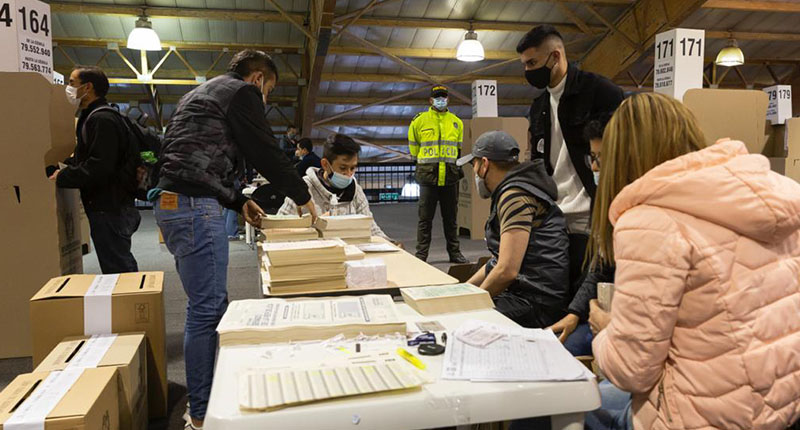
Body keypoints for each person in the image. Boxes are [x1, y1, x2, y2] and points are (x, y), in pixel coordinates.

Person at [587, 93, 800, 430]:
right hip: (780, 405)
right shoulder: (779, 192)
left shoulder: (649, 222)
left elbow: (631, 370)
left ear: (621, 156)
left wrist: (604, 330)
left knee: (576, 405)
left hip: (702, 416)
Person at [151, 49, 317, 429]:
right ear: (257, 78)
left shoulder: (202, 93)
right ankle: (202, 413)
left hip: (175, 201)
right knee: (206, 308)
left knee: (209, 303)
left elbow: (197, 158)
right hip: (193, 205)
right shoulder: (242, 92)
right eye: (269, 89)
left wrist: (237, 200)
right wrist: (304, 195)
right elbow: (264, 150)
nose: (267, 99)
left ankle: (207, 399)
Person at [517, 25, 623, 278]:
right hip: (555, 218)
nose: (528, 71)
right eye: (524, 65)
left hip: (592, 218)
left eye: (532, 63)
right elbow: (539, 158)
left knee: (590, 295)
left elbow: (618, 154)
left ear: (555, 56)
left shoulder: (601, 92)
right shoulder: (539, 105)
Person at [460, 131, 569, 329]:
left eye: (473, 164)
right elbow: (497, 263)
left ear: (484, 164)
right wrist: (462, 292)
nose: (474, 172)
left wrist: (473, 305)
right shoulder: (515, 189)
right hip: (526, 292)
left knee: (463, 324)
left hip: (536, 301)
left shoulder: (514, 196)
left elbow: (507, 270)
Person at [49, 66, 140, 274]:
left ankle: (131, 304)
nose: (68, 89)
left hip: (110, 206)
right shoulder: (94, 117)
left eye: (72, 83)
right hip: (111, 205)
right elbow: (90, 159)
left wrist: (64, 176)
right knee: (116, 264)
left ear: (87, 87)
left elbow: (100, 166)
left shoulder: (101, 119)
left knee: (118, 268)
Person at [549, 119, 614, 357]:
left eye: (599, 159)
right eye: (592, 158)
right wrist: (574, 313)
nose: (594, 168)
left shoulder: (642, 219)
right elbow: (600, 266)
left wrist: (609, 328)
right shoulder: (608, 204)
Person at [278, 134, 400, 245]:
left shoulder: (355, 191)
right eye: (343, 168)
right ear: (325, 164)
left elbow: (370, 228)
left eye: (353, 168)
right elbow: (280, 227)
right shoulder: (303, 189)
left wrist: (390, 243)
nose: (348, 174)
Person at [408, 85, 468, 264]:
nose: (440, 100)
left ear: (448, 99)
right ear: (430, 100)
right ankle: (421, 254)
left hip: (450, 177)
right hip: (428, 177)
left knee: (451, 219)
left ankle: (455, 253)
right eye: (437, 97)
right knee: (425, 219)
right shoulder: (419, 121)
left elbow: (457, 150)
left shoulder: (457, 122)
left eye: (443, 97)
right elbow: (414, 148)